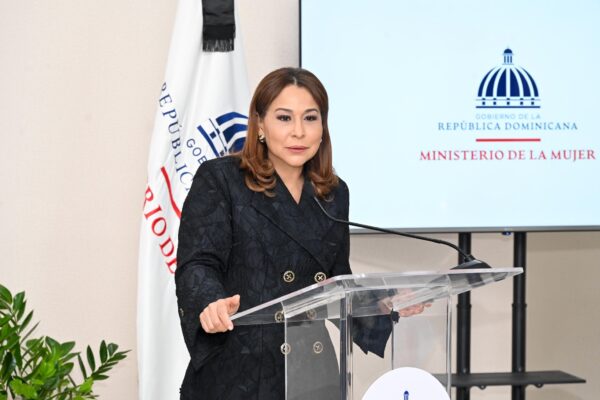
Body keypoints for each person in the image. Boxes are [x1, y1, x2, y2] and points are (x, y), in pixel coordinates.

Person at [175, 67, 389, 400]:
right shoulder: (222, 179)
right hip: (239, 371)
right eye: (285, 118)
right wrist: (209, 302)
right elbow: (198, 262)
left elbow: (335, 280)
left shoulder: (333, 193)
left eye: (310, 118)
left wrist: (381, 306)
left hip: (312, 371)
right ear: (260, 124)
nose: (299, 132)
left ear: (323, 127)